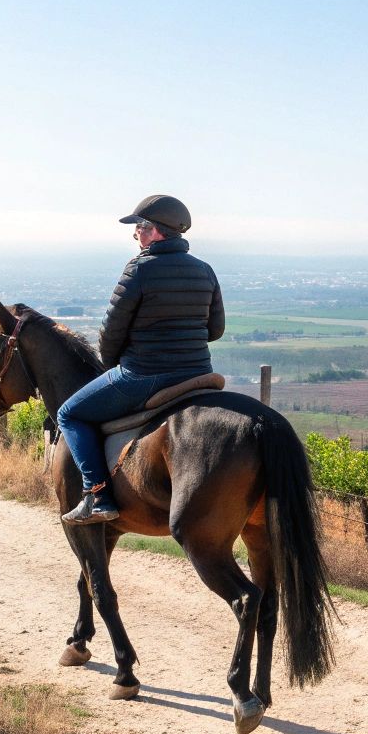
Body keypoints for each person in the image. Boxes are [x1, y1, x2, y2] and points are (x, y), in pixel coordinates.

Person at [58, 194, 226, 525]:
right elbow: (215, 330)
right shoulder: (205, 270)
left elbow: (111, 331)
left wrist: (110, 365)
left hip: (144, 375)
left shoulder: (138, 269)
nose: (135, 234)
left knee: (69, 414)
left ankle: (97, 496)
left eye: (139, 227)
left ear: (155, 231)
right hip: (196, 374)